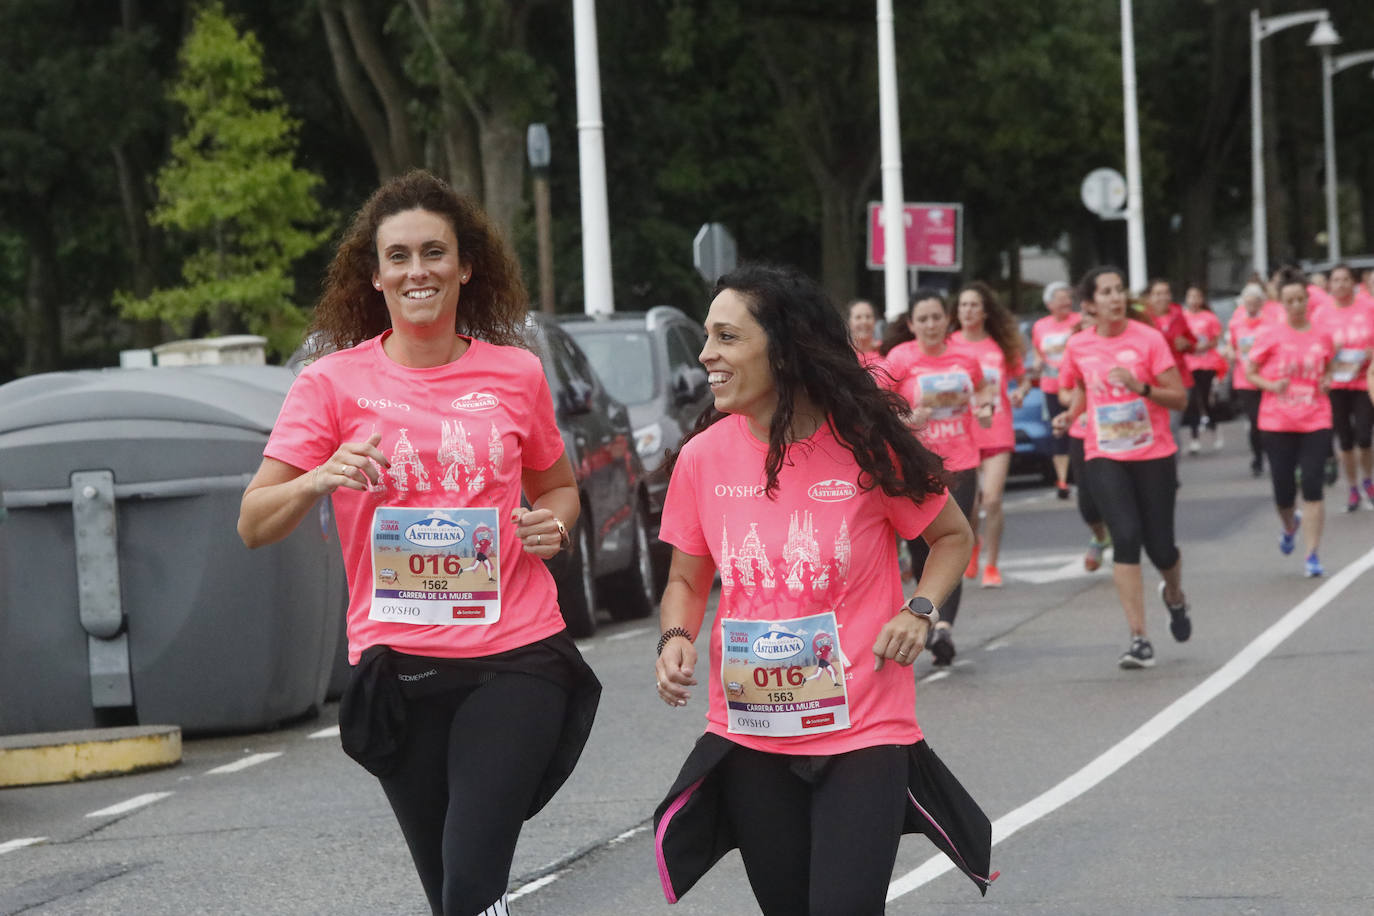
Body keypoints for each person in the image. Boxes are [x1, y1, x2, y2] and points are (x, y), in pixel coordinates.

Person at [236, 170, 600, 915]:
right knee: (450, 893)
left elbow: (560, 487)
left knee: (470, 881)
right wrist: (318, 479)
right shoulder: (330, 385)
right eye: (397, 257)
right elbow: (253, 521)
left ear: (466, 264)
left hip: (515, 656)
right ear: (374, 276)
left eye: (433, 252)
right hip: (399, 669)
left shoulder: (515, 374)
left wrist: (553, 524)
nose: (417, 271)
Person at [651, 263, 995, 915]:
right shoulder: (702, 458)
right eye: (707, 337)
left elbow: (951, 538)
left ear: (781, 348)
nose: (706, 355)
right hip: (753, 731)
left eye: (726, 337)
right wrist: (676, 638)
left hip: (864, 727)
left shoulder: (867, 446)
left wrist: (920, 611)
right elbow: (686, 578)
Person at [1054, 266, 1192, 669]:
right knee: (1126, 537)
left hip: (1153, 454)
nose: (1115, 298)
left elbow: (1180, 398)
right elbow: (1083, 388)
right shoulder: (1079, 345)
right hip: (1104, 453)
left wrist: (1140, 388)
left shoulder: (1149, 339)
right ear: (1091, 304)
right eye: (1106, 292)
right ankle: (1139, 637)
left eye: (1119, 290)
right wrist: (1071, 415)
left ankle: (1175, 596)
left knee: (1162, 548)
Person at [882, 290, 994, 665]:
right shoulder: (900, 359)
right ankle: (931, 612)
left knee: (954, 541)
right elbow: (878, 412)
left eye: (936, 317)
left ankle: (942, 627)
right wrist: (909, 421)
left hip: (961, 460)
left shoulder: (966, 357)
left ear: (947, 321)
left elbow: (982, 390)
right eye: (923, 319)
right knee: (921, 550)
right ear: (912, 324)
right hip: (917, 465)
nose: (931, 325)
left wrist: (986, 407)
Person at [1245, 270, 1336, 577]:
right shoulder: (1271, 334)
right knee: (1283, 491)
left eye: (1301, 299)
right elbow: (1250, 370)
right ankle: (1289, 524)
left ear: (1308, 300)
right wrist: (1270, 386)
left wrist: (1327, 380)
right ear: (1281, 303)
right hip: (1277, 421)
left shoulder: (1322, 334)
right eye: (1290, 300)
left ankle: (1312, 554)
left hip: (1315, 418)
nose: (1297, 305)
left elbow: (1330, 364)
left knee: (1312, 484)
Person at [950, 281, 1029, 588]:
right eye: (963, 305)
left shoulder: (1000, 346)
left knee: (992, 500)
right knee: (967, 506)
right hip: (961, 434)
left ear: (984, 311)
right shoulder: (951, 344)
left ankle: (992, 565)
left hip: (996, 430)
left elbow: (1022, 380)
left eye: (973, 305)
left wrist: (1020, 392)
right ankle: (972, 546)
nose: (968, 310)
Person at [1310, 264, 1374, 511]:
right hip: (1336, 384)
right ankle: (1352, 487)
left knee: (1364, 436)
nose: (1340, 284)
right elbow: (1313, 347)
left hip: (1363, 381)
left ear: (1353, 283)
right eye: (1335, 280)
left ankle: (1368, 479)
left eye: (1345, 279)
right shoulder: (1321, 314)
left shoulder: (1368, 308)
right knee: (1345, 440)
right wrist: (1329, 354)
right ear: (1329, 285)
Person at [1032, 280, 1082, 499]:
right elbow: (1037, 351)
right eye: (1061, 299)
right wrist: (1036, 362)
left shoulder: (1079, 321)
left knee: (1079, 427)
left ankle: (1082, 475)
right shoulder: (1040, 326)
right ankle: (1062, 480)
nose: (1066, 303)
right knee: (1058, 430)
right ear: (1049, 304)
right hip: (1051, 385)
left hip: (1076, 384)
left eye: (1068, 298)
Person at [1228, 283, 1278, 477]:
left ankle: (1273, 455)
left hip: (1266, 378)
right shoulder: (1236, 323)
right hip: (1245, 379)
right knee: (1255, 420)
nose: (1251, 305)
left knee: (1269, 421)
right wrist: (1231, 353)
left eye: (1254, 301)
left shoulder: (1270, 323)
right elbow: (1231, 345)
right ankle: (1257, 457)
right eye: (1247, 301)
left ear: (1261, 303)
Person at [1180, 284, 1225, 454]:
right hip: (1189, 365)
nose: (1193, 300)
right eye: (1190, 297)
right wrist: (1189, 347)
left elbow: (1215, 339)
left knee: (1206, 401)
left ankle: (1214, 429)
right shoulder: (1183, 318)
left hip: (1206, 364)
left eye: (1196, 297)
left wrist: (1203, 346)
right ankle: (1194, 438)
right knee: (1191, 401)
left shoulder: (1209, 317)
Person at [847, 298, 884, 369]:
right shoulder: (843, 353)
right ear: (849, 322)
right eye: (858, 317)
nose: (864, 321)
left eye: (868, 316)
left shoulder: (885, 349)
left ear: (875, 321)